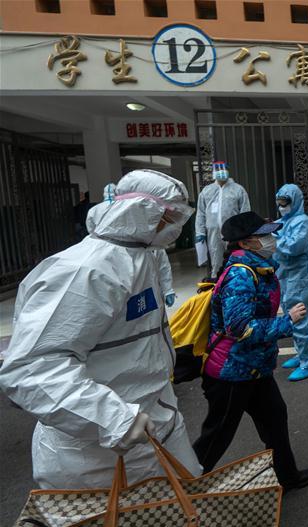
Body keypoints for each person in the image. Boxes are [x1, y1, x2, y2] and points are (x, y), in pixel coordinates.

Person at [0, 169, 202, 489]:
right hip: (96, 454)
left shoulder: (144, 256)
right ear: (143, 212)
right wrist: (115, 419)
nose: (178, 226)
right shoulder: (83, 272)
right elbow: (33, 368)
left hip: (156, 424)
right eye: (172, 215)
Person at [192, 211, 308, 491]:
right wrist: (288, 321)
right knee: (217, 435)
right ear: (247, 243)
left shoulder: (258, 267)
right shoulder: (240, 275)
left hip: (253, 367)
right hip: (231, 372)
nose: (272, 240)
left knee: (275, 418)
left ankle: (286, 476)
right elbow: (240, 329)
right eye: (265, 236)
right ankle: (183, 491)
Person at [87, 182, 177, 308]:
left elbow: (162, 263)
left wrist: (168, 289)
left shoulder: (148, 242)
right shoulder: (99, 254)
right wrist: (167, 289)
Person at [274, 184, 308, 381]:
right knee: (289, 313)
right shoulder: (282, 222)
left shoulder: (304, 222)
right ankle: (300, 353)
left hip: (299, 273)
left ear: (295, 202)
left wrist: (272, 239)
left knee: (299, 315)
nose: (282, 206)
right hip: (284, 272)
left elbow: (293, 247)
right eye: (279, 202)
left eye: (285, 202)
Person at [195, 161, 251, 277]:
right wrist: (200, 232)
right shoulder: (207, 191)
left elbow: (245, 212)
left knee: (235, 259)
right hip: (213, 234)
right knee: (216, 261)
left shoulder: (238, 189)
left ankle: (236, 283)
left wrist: (244, 232)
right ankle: (217, 286)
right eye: (218, 171)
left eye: (223, 170)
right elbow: (200, 213)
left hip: (234, 234)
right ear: (213, 173)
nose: (221, 173)